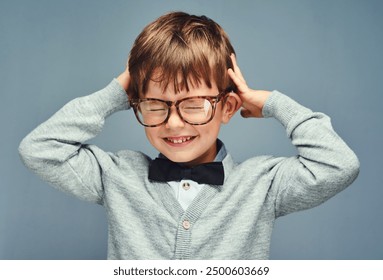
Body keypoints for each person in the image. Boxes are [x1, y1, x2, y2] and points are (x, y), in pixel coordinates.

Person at [18, 11, 359, 259]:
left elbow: (339, 165)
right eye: (155, 104)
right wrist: (117, 92)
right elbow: (40, 149)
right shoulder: (117, 176)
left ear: (227, 107)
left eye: (193, 105)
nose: (174, 123)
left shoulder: (262, 184)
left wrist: (273, 103)